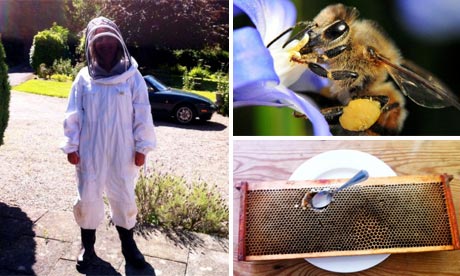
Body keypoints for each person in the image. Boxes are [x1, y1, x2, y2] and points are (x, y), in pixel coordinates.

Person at [61, 16, 156, 270]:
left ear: (118, 41)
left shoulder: (132, 77)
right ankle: (87, 248)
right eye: (98, 39)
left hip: (123, 150)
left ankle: (129, 247)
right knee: (88, 197)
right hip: (90, 149)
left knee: (124, 196)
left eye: (108, 38)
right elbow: (73, 113)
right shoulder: (83, 78)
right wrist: (71, 145)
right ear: (91, 45)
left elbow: (143, 113)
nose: (104, 44)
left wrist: (142, 146)